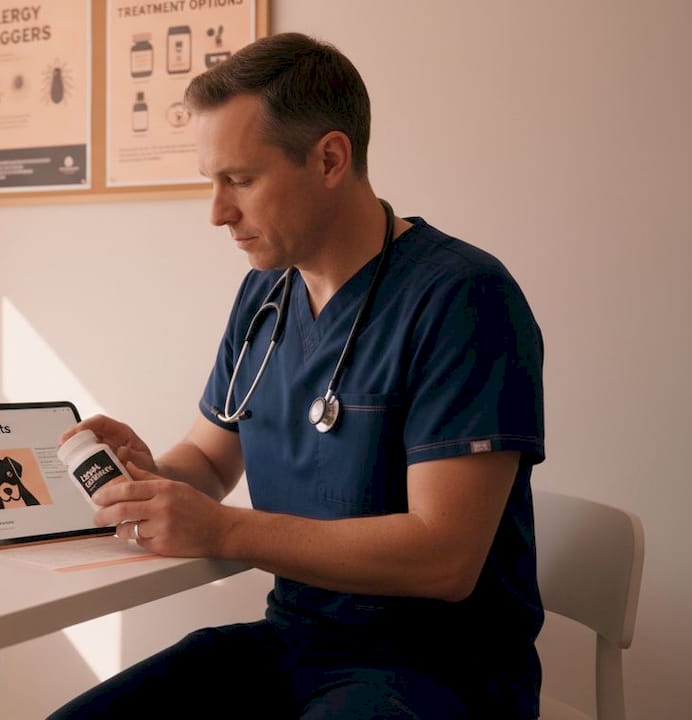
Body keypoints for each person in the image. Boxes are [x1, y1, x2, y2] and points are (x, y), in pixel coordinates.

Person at [48, 32, 544, 719]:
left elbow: (445, 558)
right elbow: (208, 461)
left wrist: (223, 530)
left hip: (441, 671)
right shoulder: (267, 294)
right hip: (294, 645)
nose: (217, 212)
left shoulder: (463, 298)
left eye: (241, 180)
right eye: (211, 181)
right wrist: (149, 478)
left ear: (330, 159)